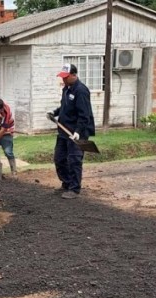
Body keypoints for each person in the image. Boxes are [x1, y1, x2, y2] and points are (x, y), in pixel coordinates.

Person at [47, 63, 94, 199]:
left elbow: (84, 115)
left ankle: (74, 189)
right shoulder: (66, 89)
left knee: (74, 160)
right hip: (64, 131)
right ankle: (66, 183)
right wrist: (55, 112)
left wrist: (78, 131)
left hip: (77, 133)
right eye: (62, 77)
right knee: (59, 159)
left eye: (66, 77)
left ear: (74, 75)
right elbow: (64, 107)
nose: (63, 79)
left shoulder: (81, 91)